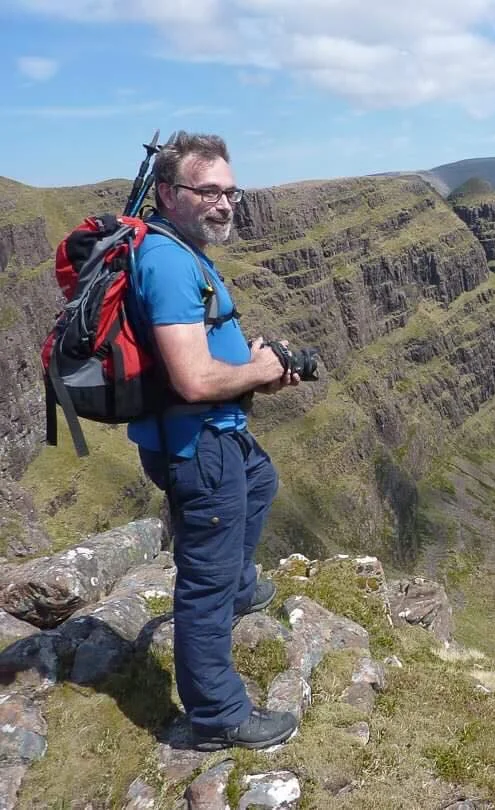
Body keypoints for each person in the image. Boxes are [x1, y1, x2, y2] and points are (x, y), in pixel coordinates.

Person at [126, 131, 300, 751]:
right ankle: (218, 716)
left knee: (262, 479)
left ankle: (240, 586)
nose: (225, 203)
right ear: (170, 193)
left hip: (217, 435)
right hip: (197, 446)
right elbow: (195, 380)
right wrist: (260, 372)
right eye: (209, 191)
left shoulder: (179, 245)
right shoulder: (169, 262)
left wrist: (254, 365)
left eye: (230, 191)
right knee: (204, 580)